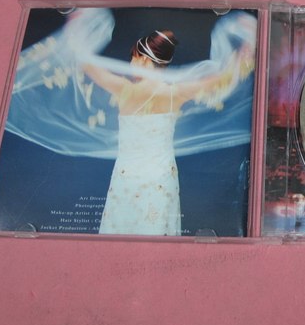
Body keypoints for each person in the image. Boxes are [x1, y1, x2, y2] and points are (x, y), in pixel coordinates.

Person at [82, 28, 252, 235]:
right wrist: (244, 52)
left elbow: (89, 67)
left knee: (120, 233)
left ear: (144, 59)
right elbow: (222, 79)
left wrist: (77, 34)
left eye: (133, 57)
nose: (131, 63)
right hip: (160, 176)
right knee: (157, 234)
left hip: (126, 175)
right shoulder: (175, 93)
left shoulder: (124, 89)